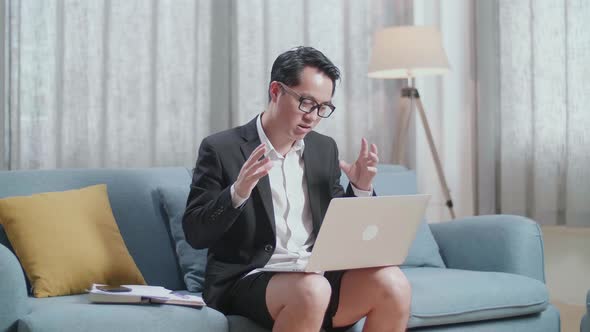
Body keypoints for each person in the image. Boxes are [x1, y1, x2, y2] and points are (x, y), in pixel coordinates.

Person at [183, 46, 411, 332]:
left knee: (394, 283)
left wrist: (361, 188)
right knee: (312, 289)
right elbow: (195, 232)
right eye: (306, 102)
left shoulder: (323, 149)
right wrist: (238, 191)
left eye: (323, 107)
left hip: (317, 274)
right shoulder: (221, 148)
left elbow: (337, 228)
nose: (313, 116)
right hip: (250, 278)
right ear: (276, 91)